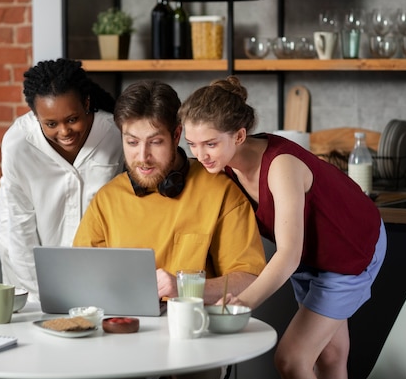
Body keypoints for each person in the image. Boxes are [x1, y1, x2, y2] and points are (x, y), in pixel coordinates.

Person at [178, 75, 387, 379]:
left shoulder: (280, 166)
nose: (200, 155)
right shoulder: (222, 165)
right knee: (330, 355)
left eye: (210, 144)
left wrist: (242, 303)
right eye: (192, 145)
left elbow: (288, 254)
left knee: (291, 360)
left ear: (238, 136)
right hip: (311, 256)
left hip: (350, 249)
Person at [73, 79, 266, 304]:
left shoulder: (222, 192)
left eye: (155, 142)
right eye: (132, 142)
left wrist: (185, 287)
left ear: (176, 136)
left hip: (196, 332)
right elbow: (80, 278)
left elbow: (250, 280)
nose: (143, 157)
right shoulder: (106, 200)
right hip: (124, 330)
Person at [0, 58, 124, 303]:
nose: (64, 132)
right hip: (28, 262)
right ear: (36, 116)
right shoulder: (18, 145)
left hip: (97, 264)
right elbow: (19, 226)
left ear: (87, 103)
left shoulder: (113, 135)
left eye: (72, 119)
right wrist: (39, 295)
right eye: (51, 124)